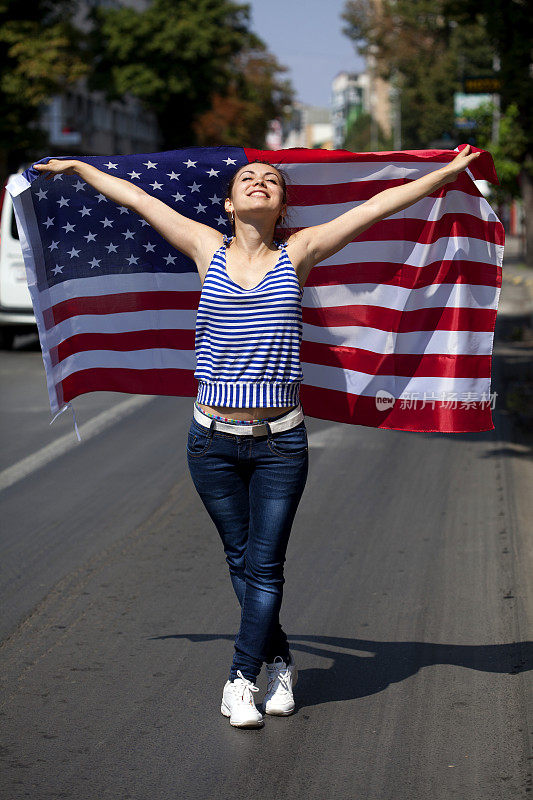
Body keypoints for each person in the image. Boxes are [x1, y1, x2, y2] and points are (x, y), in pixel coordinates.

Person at [34, 145, 481, 728]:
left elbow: (377, 207)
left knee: (266, 568)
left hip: (279, 445)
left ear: (282, 205)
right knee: (241, 561)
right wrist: (82, 170)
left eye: (271, 180)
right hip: (211, 442)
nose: (260, 183)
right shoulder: (205, 247)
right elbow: (139, 199)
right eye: (249, 178)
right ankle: (281, 661)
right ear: (228, 203)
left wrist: (444, 174)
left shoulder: (300, 251)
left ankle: (240, 679)